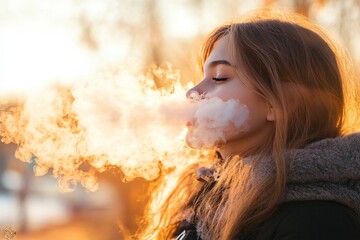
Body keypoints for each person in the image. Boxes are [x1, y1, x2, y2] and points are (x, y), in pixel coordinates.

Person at [151, 10, 360, 240]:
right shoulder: (205, 198)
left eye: (220, 77)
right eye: (201, 77)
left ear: (280, 104)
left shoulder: (317, 221)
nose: (192, 93)